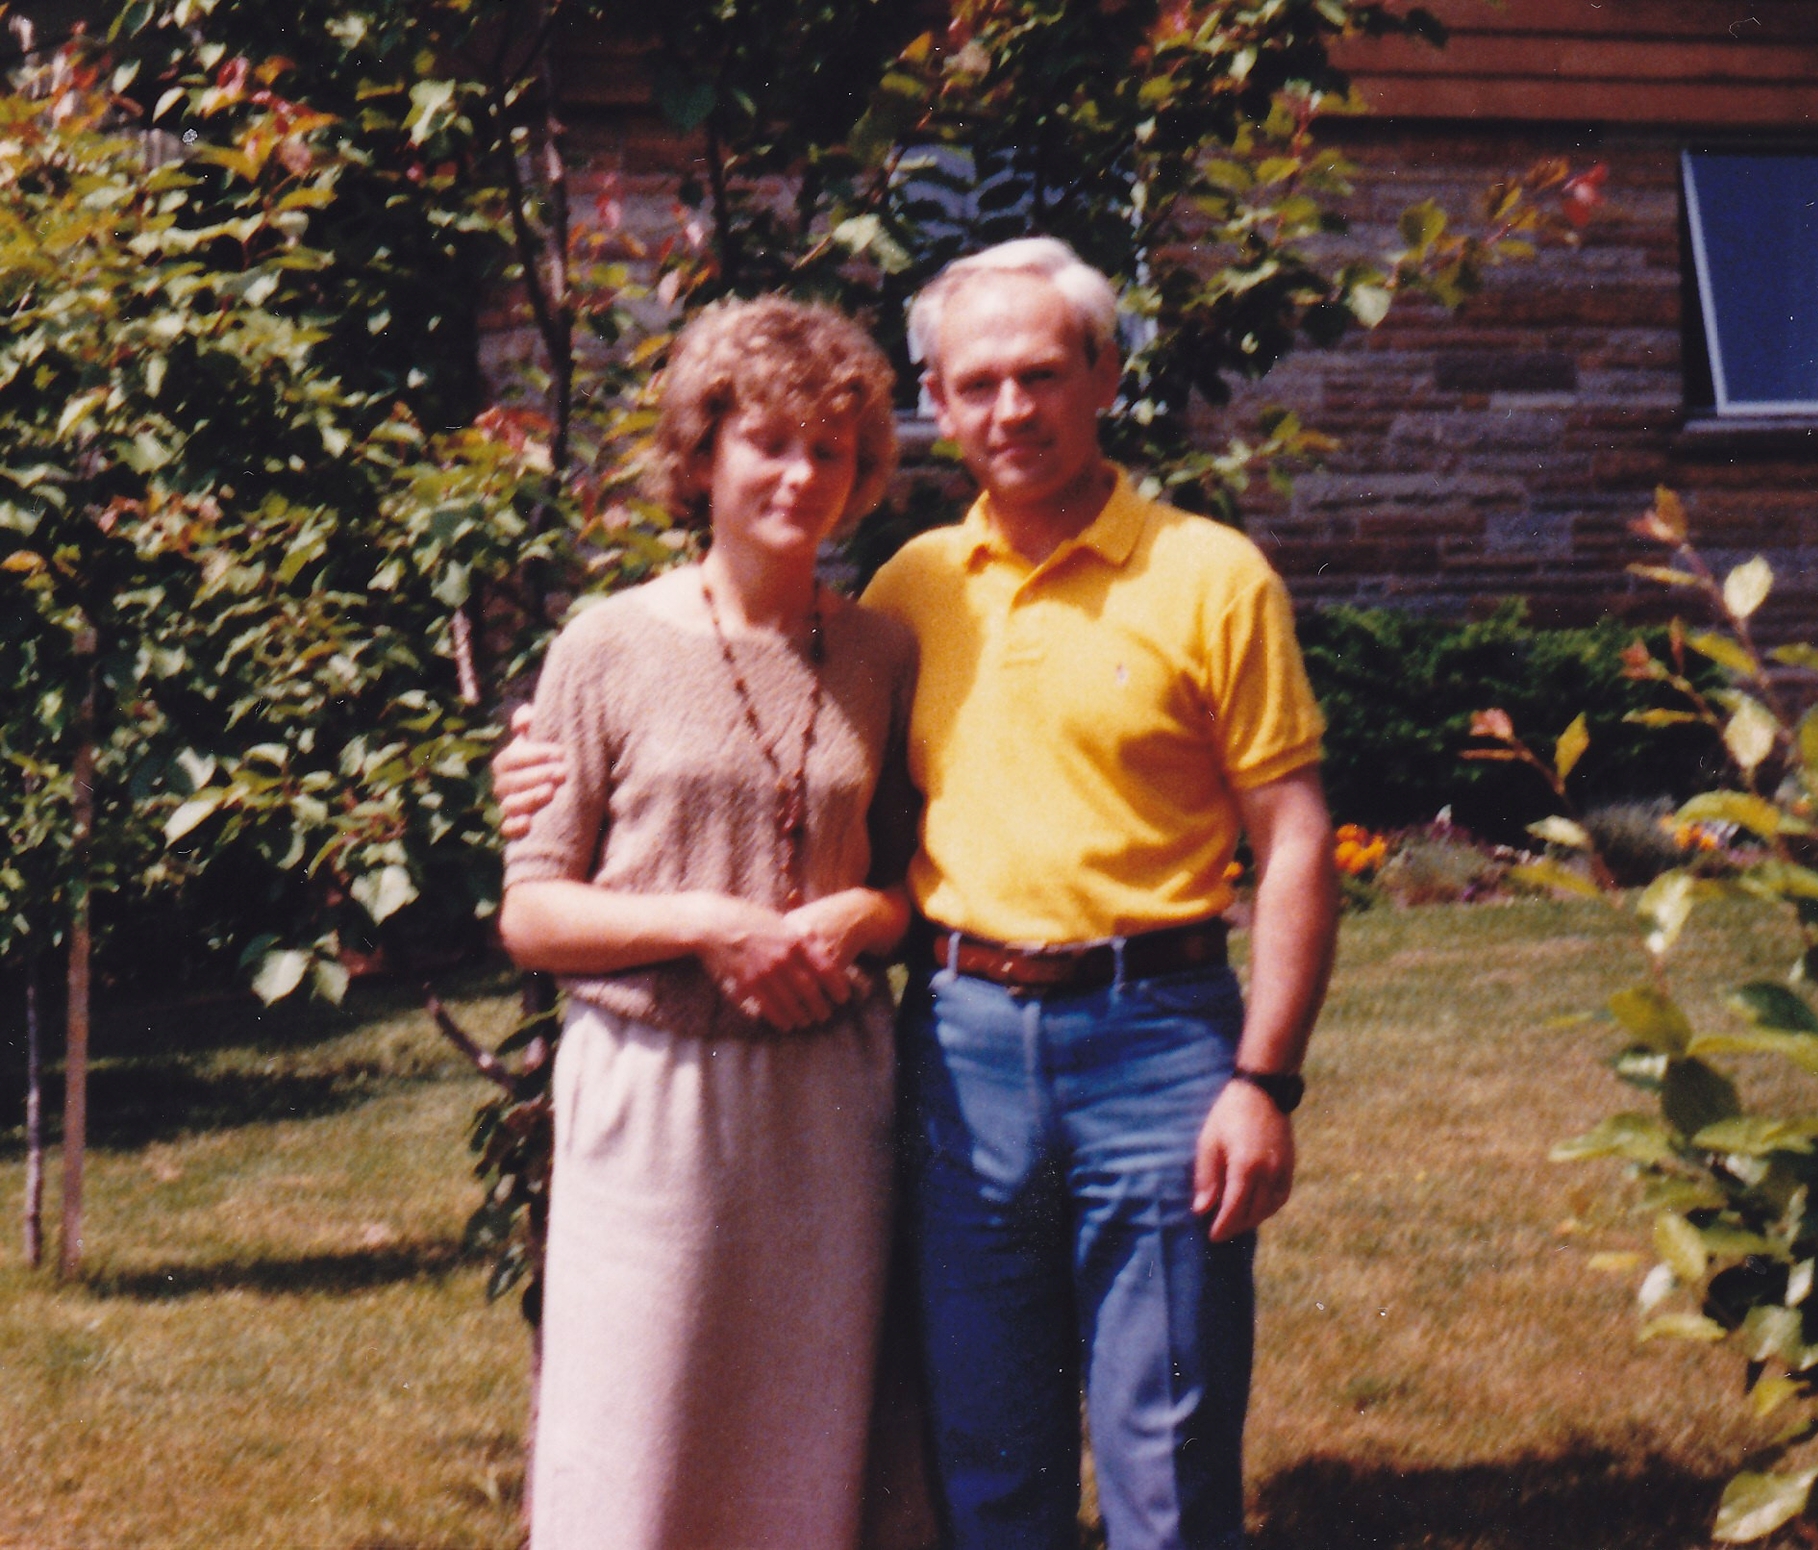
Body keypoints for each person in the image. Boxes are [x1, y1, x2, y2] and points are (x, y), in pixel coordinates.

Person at [499, 238, 1339, 1550]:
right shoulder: (911, 592)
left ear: (1104, 375)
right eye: (977, 382)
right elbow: (641, 863)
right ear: (938, 401)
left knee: (1167, 1455)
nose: (1012, 408)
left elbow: (1292, 842)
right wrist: (549, 778)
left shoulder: (1198, 577)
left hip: (1153, 1041)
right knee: (977, 1458)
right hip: (961, 1047)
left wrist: (1264, 1079)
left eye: (1042, 374)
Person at [497, 295, 926, 1550]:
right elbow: (532, 912)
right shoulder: (606, 646)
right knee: (640, 1428)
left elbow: (917, 882)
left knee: (809, 1431)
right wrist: (704, 922)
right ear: (702, 455)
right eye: (768, 443)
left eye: (829, 450)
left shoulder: (882, 651)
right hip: (654, 1094)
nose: (800, 475)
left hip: (829, 1091)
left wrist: (860, 915)